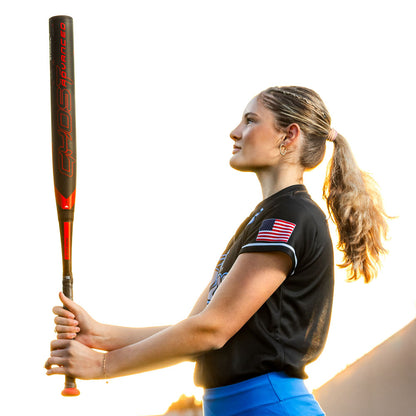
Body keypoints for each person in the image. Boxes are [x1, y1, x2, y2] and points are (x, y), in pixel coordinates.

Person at [45, 86, 389, 415]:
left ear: (289, 135)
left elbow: (212, 330)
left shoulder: (292, 216)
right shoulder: (262, 219)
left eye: (251, 120)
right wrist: (102, 336)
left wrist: (104, 365)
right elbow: (194, 328)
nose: (235, 132)